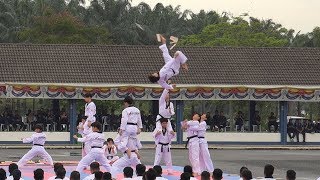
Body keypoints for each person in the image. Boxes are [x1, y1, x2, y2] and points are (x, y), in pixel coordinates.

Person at [82, 93, 97, 157]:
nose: (85, 99)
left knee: (89, 135)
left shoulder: (92, 104)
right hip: (87, 119)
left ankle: (90, 156)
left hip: (91, 119)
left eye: (86, 97)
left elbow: (91, 113)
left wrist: (90, 121)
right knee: (85, 134)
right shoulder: (86, 104)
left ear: (89, 98)